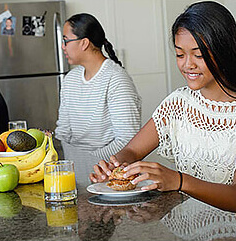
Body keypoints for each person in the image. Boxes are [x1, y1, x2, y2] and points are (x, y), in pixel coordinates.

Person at [90, 1, 236, 212]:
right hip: (188, 228)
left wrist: (178, 181)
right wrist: (116, 166)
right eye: (180, 54)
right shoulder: (177, 103)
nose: (188, 65)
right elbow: (132, 150)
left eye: (198, 54)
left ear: (223, 49)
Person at [55, 13, 141, 161]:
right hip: (73, 170)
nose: (62, 47)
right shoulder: (70, 80)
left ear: (84, 43)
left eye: (66, 41)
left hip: (107, 172)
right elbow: (63, 132)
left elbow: (127, 141)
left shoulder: (116, 79)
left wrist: (87, 160)